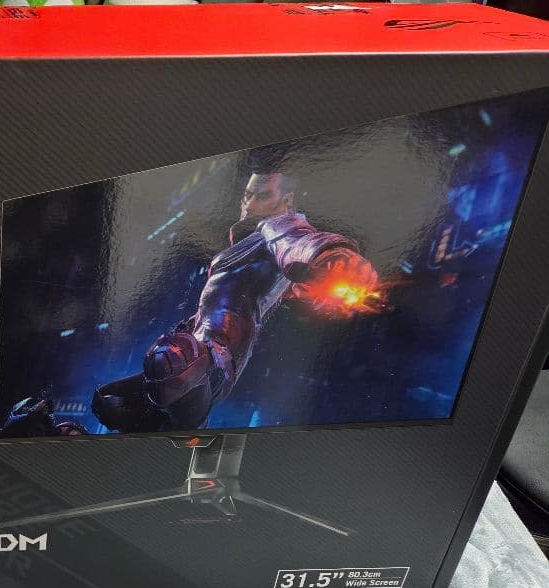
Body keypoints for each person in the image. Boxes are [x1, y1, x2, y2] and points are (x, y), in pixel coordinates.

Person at [93, 169, 379, 432]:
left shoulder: (276, 227)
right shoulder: (249, 247)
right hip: (200, 361)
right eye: (248, 195)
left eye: (263, 195)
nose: (250, 203)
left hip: (211, 361)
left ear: (287, 201)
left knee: (167, 361)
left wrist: (333, 258)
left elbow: (296, 240)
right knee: (111, 400)